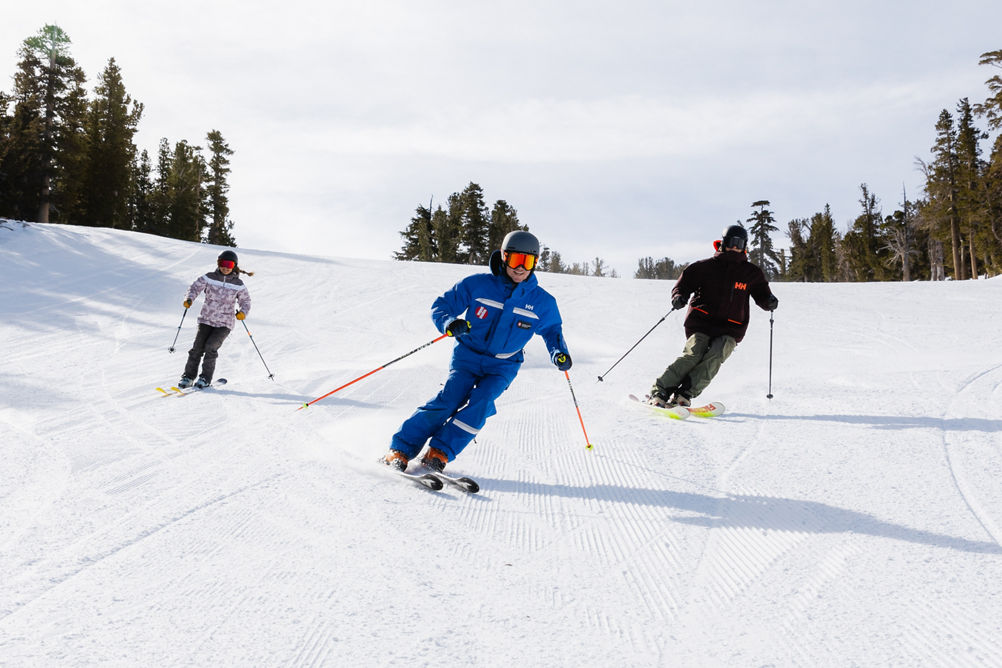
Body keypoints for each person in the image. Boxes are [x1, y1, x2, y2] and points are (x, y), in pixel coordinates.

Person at [381, 230, 571, 473]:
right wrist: (450, 322)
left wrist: (558, 352)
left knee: (481, 403)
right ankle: (401, 449)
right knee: (450, 399)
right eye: (515, 260)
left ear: (535, 263)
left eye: (528, 261)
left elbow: (552, 329)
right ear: (504, 257)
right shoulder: (477, 285)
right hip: (468, 356)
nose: (520, 268)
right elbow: (442, 306)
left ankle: (439, 452)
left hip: (503, 365)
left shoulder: (543, 302)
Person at [648, 224, 778, 407]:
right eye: (732, 243)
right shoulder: (705, 267)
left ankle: (684, 394)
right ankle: (660, 391)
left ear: (745, 246)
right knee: (694, 354)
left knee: (716, 355)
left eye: (739, 244)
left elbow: (762, 294)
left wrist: (769, 301)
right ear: (723, 244)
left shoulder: (751, 273)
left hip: (731, 327)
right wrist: (679, 296)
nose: (735, 247)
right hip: (701, 322)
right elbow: (683, 285)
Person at [178, 249, 252, 389]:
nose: (225, 267)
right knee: (197, 348)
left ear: (234, 266)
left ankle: (205, 378)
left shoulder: (238, 284)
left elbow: (246, 301)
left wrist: (243, 312)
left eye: (229, 264)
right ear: (218, 263)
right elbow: (194, 287)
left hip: (224, 323)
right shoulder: (209, 277)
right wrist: (189, 299)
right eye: (223, 263)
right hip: (206, 319)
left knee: (211, 347)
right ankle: (188, 377)